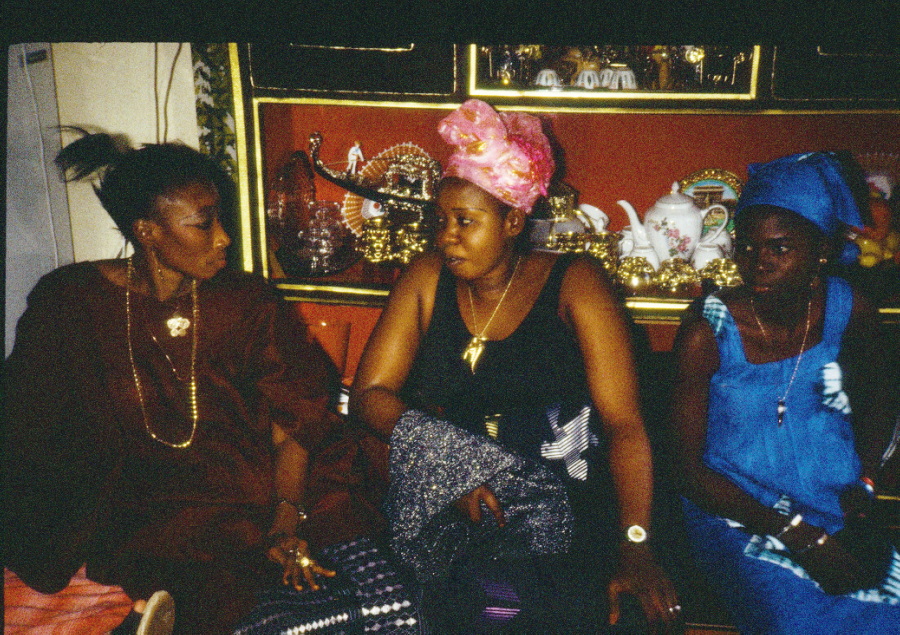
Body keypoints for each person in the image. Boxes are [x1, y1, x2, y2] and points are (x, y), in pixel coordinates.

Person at [3, 131, 384, 634]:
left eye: (220, 219)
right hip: (134, 501)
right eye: (203, 224)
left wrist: (286, 516)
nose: (224, 237)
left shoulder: (246, 301)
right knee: (167, 557)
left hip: (246, 493)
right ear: (147, 231)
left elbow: (299, 421)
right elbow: (26, 421)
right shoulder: (70, 301)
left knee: (292, 567)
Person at [350, 99, 679, 633]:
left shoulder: (576, 284)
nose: (446, 236)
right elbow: (370, 396)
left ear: (512, 222)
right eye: (440, 220)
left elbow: (624, 424)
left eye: (465, 221)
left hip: (571, 507)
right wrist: (451, 465)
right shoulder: (425, 279)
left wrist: (635, 543)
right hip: (462, 503)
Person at [670, 151, 900, 634]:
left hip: (832, 497)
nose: (758, 263)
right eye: (746, 247)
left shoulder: (846, 307)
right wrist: (797, 535)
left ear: (820, 250)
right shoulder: (708, 332)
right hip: (735, 511)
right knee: (797, 621)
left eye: (779, 248)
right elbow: (687, 470)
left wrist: (865, 478)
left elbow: (883, 391)